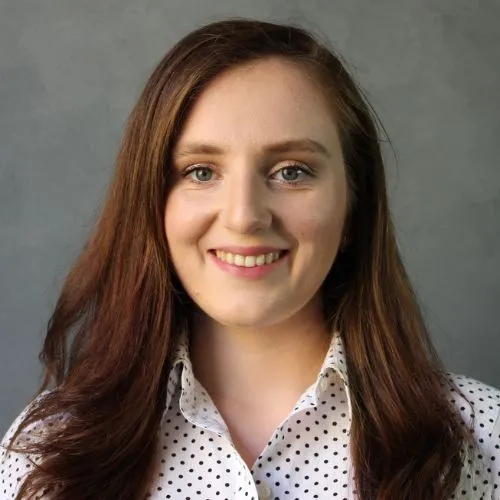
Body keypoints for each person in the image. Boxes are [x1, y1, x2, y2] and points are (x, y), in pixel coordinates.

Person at [1, 18, 499, 500]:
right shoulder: (47, 449)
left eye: (291, 171)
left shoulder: (481, 438)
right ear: (152, 204)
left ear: (354, 208)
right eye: (200, 172)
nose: (244, 217)